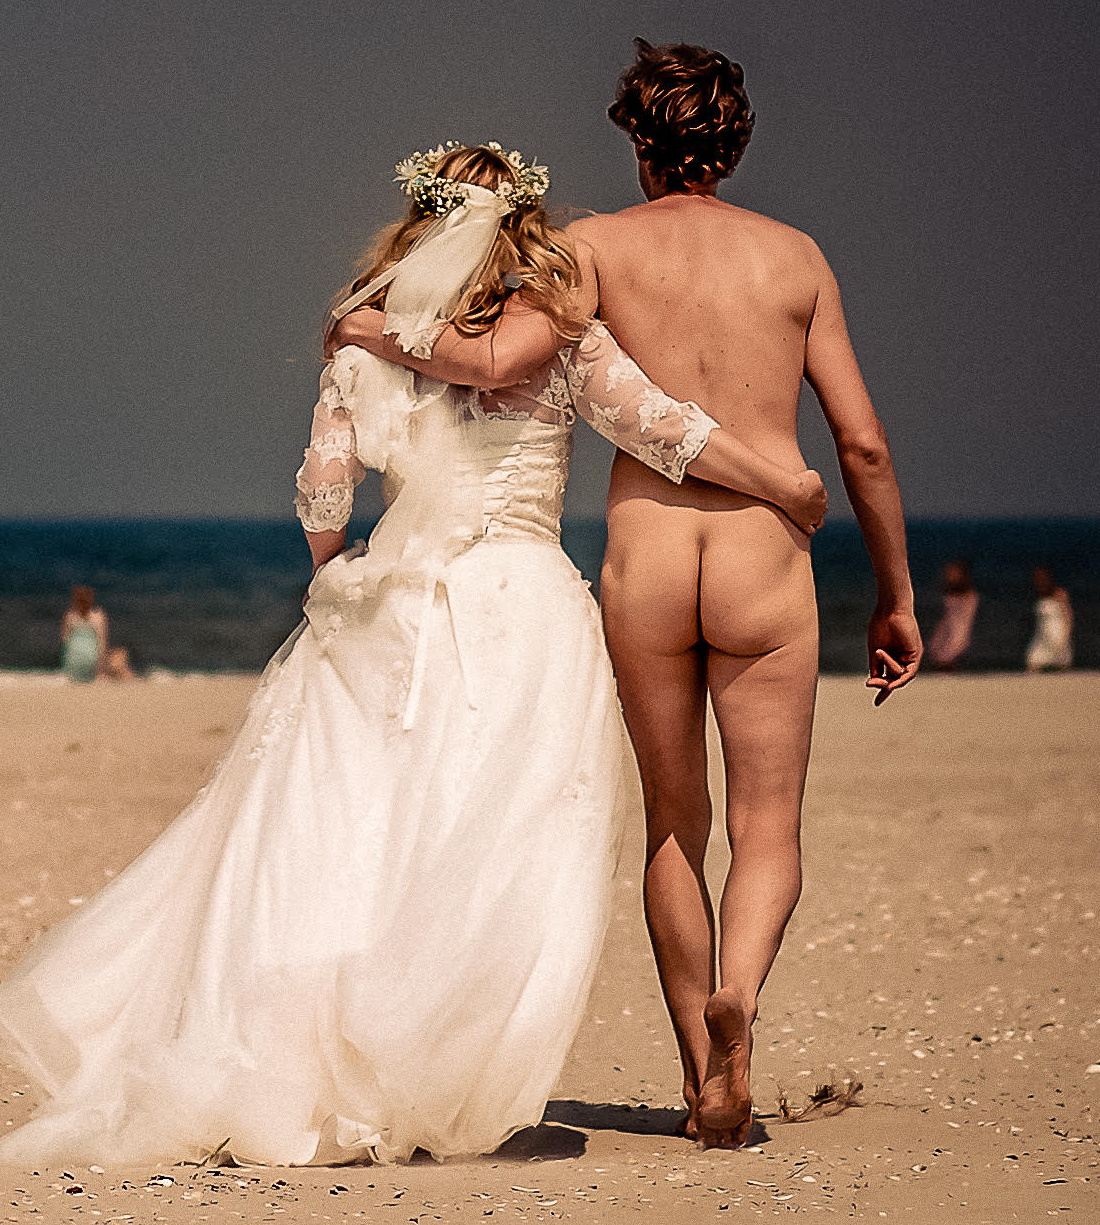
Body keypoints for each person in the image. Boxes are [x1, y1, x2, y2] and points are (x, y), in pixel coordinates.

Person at [0, 144, 826, 1169]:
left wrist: (335, 568)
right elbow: (666, 432)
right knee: (487, 849)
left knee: (361, 832)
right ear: (521, 229)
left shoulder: (366, 341)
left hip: (398, 600)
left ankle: (329, 1062)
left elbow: (323, 493)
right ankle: (434, 1070)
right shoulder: (563, 336)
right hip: (522, 606)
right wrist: (781, 486)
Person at [333, 42, 922, 1149]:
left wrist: (372, 325)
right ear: (732, 142)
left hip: (646, 557)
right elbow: (864, 445)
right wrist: (893, 591)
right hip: (760, 555)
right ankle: (738, 995)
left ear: (638, 139)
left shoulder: (591, 249)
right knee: (766, 825)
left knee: (673, 824)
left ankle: (700, 1071)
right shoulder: (795, 257)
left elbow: (494, 360)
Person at [928, 560, 979, 670]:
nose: (949, 575)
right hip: (947, 642)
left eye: (953, 572)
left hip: (958, 643)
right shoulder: (948, 595)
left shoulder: (968, 597)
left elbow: (960, 629)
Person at [1026, 565, 1073, 670]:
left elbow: (1068, 614)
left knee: (1059, 661)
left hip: (1057, 630)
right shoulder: (1039, 594)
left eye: (1041, 577)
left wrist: (1067, 632)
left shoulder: (1059, 593)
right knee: (1034, 661)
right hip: (1043, 631)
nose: (1039, 580)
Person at [60, 585, 108, 682]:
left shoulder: (70, 616)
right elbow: (102, 643)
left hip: (73, 663)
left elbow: (64, 640)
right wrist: (101, 667)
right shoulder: (98, 616)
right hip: (92, 662)